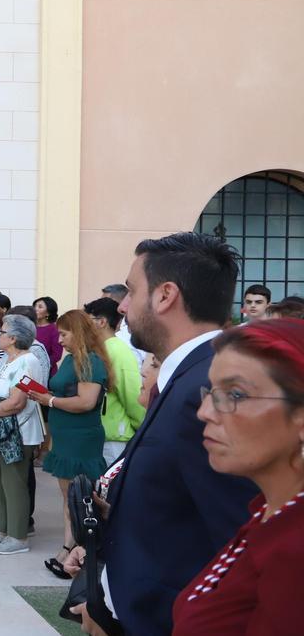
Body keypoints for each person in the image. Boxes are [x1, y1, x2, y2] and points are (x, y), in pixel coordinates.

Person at [63, 232, 258, 635]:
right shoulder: (188, 375)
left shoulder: (208, 387)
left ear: (166, 295)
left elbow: (242, 543)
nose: (122, 305)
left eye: (132, 291)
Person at [171, 318, 304, 634]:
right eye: (212, 391)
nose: (204, 411)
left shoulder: (296, 549)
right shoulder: (269, 512)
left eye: (237, 394)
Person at [25, 309, 110, 578]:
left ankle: (76, 551)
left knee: (80, 499)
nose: (59, 340)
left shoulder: (91, 361)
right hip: (66, 437)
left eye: (63, 334)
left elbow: (85, 402)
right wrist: (46, 395)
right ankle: (68, 547)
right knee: (68, 498)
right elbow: (66, 393)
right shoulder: (73, 359)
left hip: (80, 439)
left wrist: (49, 400)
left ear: (79, 333)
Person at [0, 314, 44, 555]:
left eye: (2, 332)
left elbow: (16, 403)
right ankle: (1, 530)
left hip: (17, 431)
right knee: (1, 482)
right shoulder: (8, 359)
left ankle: (18, 536)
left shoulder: (28, 361)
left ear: (13, 338)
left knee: (15, 483)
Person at [83, 297, 146, 464]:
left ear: (102, 322)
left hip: (115, 437)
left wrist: (140, 427)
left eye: (88, 321)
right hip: (102, 433)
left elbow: (132, 395)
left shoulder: (118, 350)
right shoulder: (100, 348)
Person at [102, 283, 145, 366]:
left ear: (121, 302)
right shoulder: (108, 326)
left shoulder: (133, 331)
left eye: (106, 302)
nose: (102, 306)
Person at [32, 296, 63, 375]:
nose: (35, 309)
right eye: (35, 306)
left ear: (48, 313)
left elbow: (57, 355)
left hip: (46, 372)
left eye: (40, 307)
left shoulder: (54, 329)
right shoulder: (30, 326)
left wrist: (40, 364)